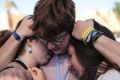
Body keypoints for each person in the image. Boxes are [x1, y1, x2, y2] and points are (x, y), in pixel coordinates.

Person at [0, 0, 78, 80]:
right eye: (45, 39)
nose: (49, 47)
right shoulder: (14, 74)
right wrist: (18, 34)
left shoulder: (83, 45)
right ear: (30, 41)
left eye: (57, 39)